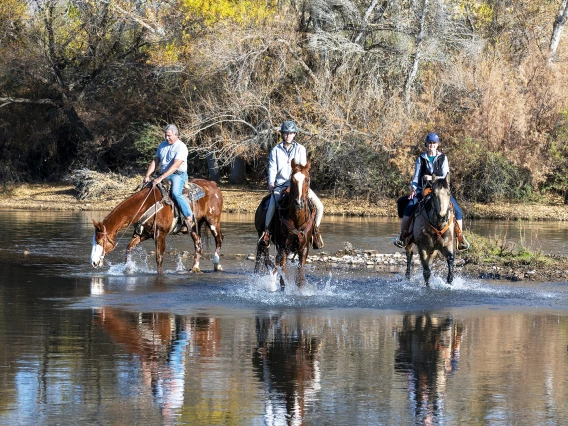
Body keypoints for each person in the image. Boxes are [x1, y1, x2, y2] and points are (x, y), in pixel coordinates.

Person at [393, 132, 470, 251]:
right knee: (409, 208)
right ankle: (403, 236)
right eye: (430, 143)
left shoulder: (443, 158)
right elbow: (416, 177)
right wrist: (413, 188)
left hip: (440, 191)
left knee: (458, 212)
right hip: (423, 189)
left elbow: (446, 176)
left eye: (434, 143)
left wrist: (433, 178)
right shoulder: (421, 159)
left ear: (437, 144)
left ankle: (460, 239)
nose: (432, 145)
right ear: (426, 144)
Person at [259, 120, 324, 249]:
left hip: (298, 184)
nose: (288, 135)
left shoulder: (301, 149)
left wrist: (296, 184)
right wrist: (271, 183)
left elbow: (303, 169)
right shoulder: (275, 150)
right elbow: (272, 168)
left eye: (290, 133)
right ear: (282, 134)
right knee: (272, 204)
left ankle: (314, 233)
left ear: (295, 134)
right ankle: (266, 233)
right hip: (281, 185)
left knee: (320, 206)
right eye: (286, 133)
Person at [143, 124, 194, 231]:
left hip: (178, 174)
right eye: (166, 135)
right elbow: (155, 161)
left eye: (169, 136)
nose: (167, 138)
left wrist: (160, 178)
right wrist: (147, 175)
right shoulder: (162, 145)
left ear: (176, 134)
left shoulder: (181, 147)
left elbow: (175, 165)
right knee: (146, 189)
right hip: (164, 174)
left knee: (176, 193)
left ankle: (189, 216)